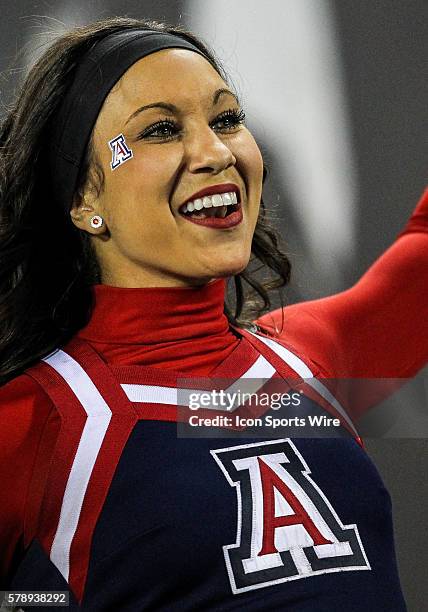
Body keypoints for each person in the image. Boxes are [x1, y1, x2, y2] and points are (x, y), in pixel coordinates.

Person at [0, 16, 426, 611]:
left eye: (226, 119)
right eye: (160, 130)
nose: (214, 152)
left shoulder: (308, 360)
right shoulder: (39, 420)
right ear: (83, 198)